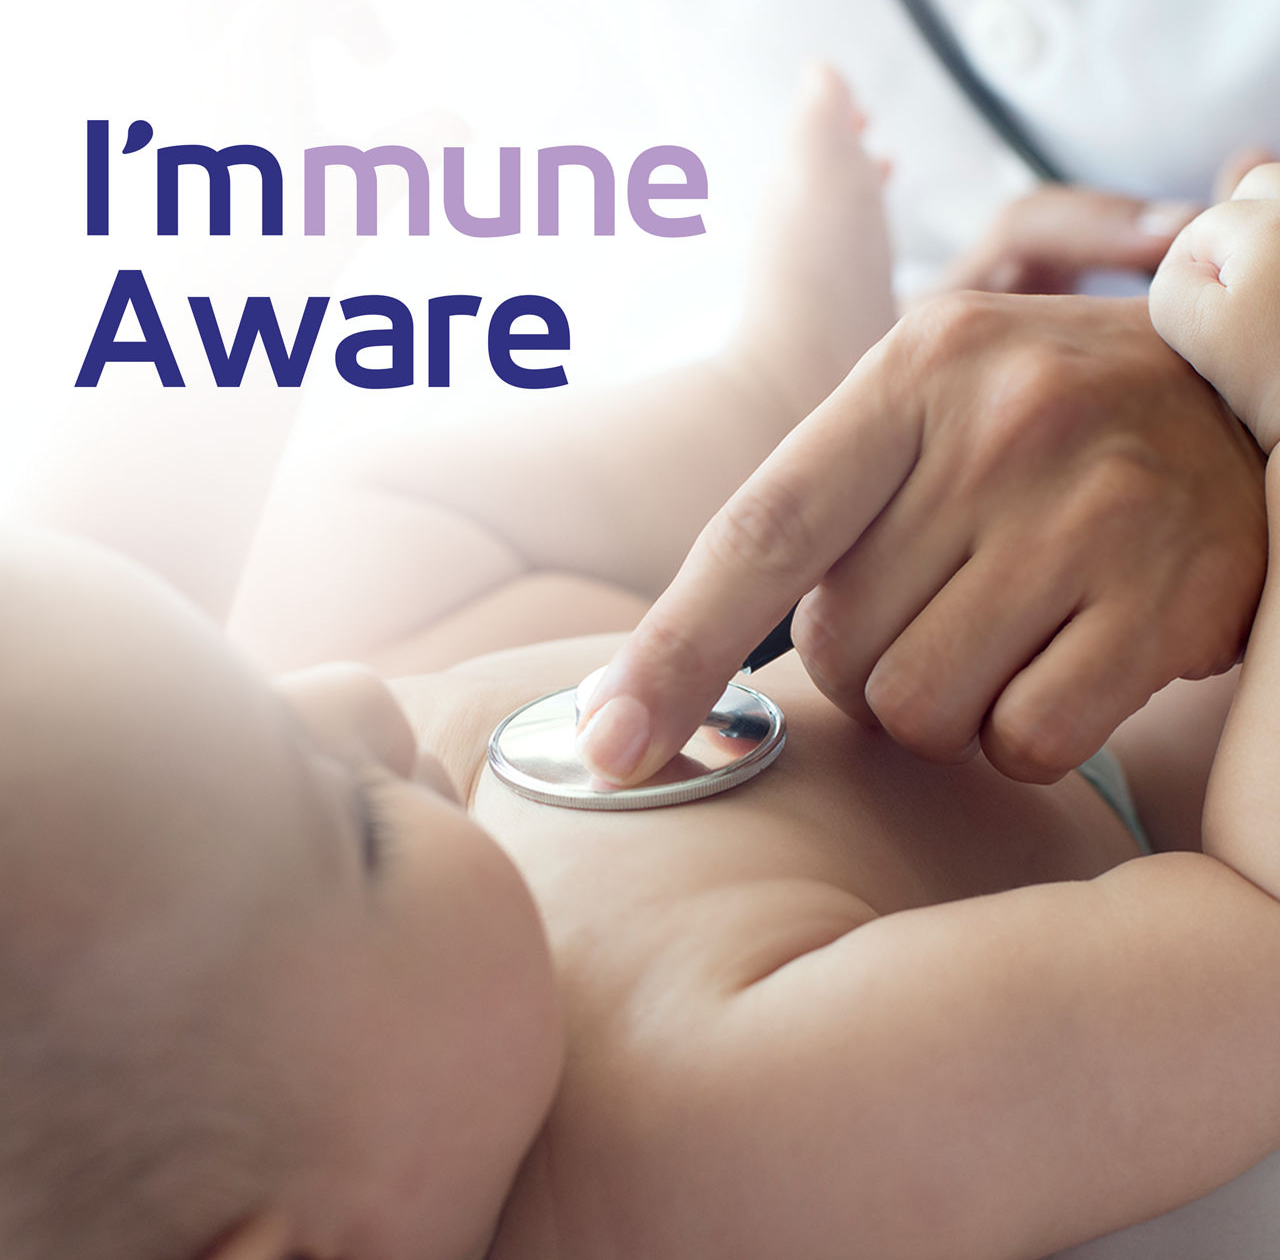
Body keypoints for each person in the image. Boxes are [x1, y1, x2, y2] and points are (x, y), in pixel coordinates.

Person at [6, 113, 1280, 1260]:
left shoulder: (398, 1029)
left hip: (740, 672)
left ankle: (764, 400)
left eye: (259, 691)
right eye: (344, 828)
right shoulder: (726, 1138)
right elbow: (1251, 942)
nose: (356, 701)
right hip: (1128, 765)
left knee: (330, 541)